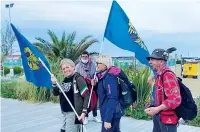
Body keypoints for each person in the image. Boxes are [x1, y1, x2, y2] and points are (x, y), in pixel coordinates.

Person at [144, 48, 181, 132]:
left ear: (161, 61)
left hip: (167, 120)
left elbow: (175, 99)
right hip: (159, 117)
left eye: (152, 59)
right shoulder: (160, 75)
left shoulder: (168, 75)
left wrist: (157, 109)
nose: (149, 62)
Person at [51, 58, 90, 132]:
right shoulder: (65, 79)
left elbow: (86, 96)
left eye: (67, 67)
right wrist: (54, 84)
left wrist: (84, 112)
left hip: (73, 113)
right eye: (63, 69)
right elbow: (56, 93)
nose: (65, 70)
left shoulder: (78, 79)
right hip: (64, 113)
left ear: (73, 66)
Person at [96, 55, 124, 132]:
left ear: (105, 64)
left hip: (111, 114)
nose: (96, 64)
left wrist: (108, 119)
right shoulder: (102, 76)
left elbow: (112, 98)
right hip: (111, 112)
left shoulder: (109, 77)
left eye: (98, 63)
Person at [75, 51, 101, 124]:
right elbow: (76, 76)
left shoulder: (93, 65)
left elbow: (96, 75)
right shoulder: (77, 66)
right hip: (83, 86)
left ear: (88, 57)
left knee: (94, 100)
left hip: (93, 85)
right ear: (81, 57)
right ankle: (86, 116)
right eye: (83, 57)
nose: (84, 58)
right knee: (85, 101)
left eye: (86, 57)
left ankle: (95, 115)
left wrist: (94, 80)